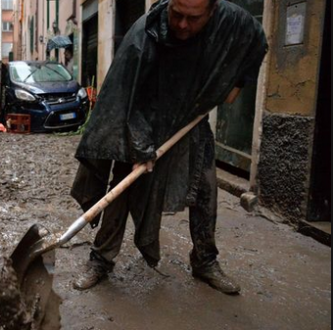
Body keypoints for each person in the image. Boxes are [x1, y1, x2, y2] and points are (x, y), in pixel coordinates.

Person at [70, 0, 267, 294]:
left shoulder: (233, 22)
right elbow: (123, 99)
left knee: (205, 191)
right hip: (142, 118)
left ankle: (205, 261)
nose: (184, 25)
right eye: (178, 15)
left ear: (211, 12)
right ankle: (100, 259)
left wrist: (239, 82)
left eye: (193, 18)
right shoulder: (144, 35)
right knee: (122, 189)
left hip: (190, 117)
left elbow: (257, 43)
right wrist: (140, 148)